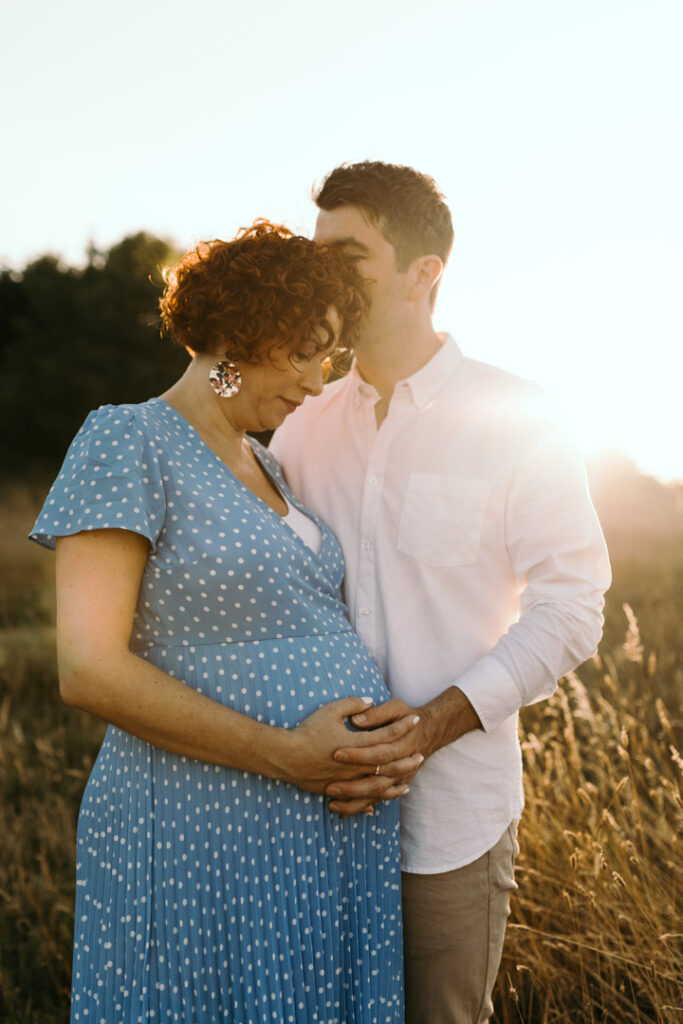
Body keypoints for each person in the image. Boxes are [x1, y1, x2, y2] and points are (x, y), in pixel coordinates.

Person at [30, 221, 419, 1024]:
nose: (318, 381)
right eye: (309, 351)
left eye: (332, 357)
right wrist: (286, 755)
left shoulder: (267, 463)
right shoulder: (127, 439)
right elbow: (89, 669)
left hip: (316, 829)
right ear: (250, 330)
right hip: (201, 822)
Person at [270, 162, 612, 1024]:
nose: (323, 277)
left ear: (426, 273)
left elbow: (573, 604)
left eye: (348, 256)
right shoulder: (301, 425)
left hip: (451, 821)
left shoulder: (518, 417)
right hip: (315, 807)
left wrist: (432, 727)